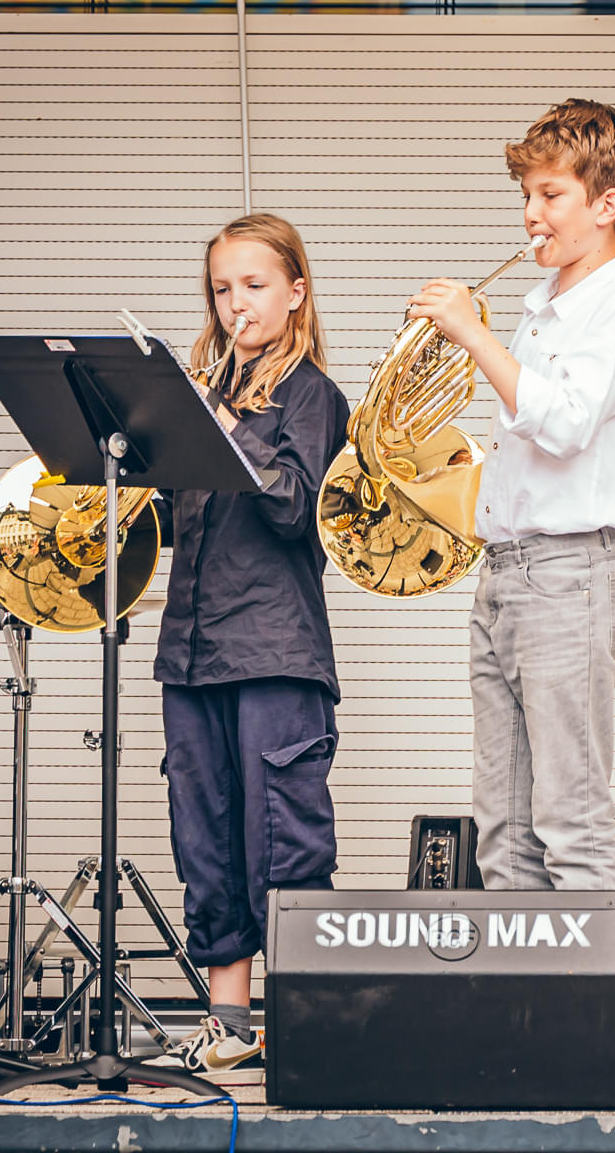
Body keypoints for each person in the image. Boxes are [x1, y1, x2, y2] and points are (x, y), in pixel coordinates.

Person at [407, 99, 615, 891]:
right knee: (503, 829)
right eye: (526, 194)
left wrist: (474, 335)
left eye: (550, 195)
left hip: (568, 573)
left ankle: (584, 1019)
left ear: (605, 205)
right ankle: (518, 1013)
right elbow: (526, 445)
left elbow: (563, 424)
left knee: (571, 819)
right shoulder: (541, 310)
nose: (531, 214)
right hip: (508, 571)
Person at [151, 213, 351, 1074]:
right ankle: (228, 1026)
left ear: (296, 291)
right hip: (190, 648)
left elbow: (295, 506)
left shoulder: (312, 394)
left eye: (255, 285)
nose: (237, 304)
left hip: (274, 646)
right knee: (207, 838)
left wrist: (216, 428)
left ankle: (310, 1025)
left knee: (284, 836)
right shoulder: (204, 393)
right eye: (222, 289)